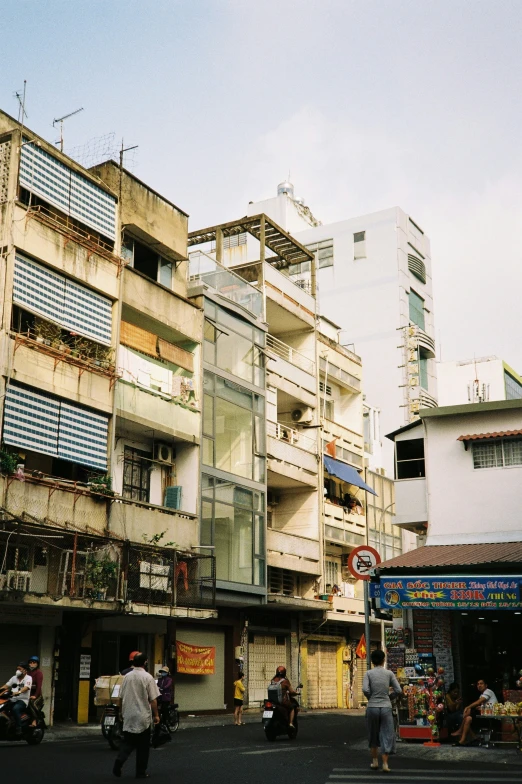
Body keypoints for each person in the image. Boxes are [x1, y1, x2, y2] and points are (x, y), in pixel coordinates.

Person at [113, 653, 160, 780]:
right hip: (143, 716)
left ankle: (120, 760)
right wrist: (156, 715)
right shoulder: (147, 677)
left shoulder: (127, 677)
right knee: (143, 747)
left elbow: (121, 697)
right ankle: (140, 772)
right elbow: (153, 700)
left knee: (128, 742)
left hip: (129, 714)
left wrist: (121, 713)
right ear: (145, 662)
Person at [363, 649, 402, 773]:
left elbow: (365, 689)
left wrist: (371, 698)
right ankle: (385, 764)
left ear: (372, 661)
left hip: (372, 707)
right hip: (386, 707)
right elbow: (399, 690)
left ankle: (375, 762)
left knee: (373, 734)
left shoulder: (368, 673)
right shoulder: (389, 673)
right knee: (386, 734)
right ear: (383, 660)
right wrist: (389, 697)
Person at [451, 678, 497, 746]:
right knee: (468, 718)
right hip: (484, 716)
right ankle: (465, 739)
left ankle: (463, 733)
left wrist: (468, 707)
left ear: (486, 685)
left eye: (481, 684)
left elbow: (479, 702)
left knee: (468, 714)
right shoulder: (482, 695)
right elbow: (484, 705)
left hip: (491, 717)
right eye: (478, 684)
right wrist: (480, 707)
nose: (479, 685)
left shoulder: (488, 691)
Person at [1, 662, 33, 737]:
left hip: (22, 700)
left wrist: (19, 692)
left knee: (16, 709)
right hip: (12, 699)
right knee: (3, 709)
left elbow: (26, 687)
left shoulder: (28, 678)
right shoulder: (14, 678)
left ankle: (19, 727)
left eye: (19, 669)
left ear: (25, 670)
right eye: (17, 669)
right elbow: (6, 686)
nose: (17, 671)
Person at [27, 655, 44, 726]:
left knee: (32, 703)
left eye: (34, 663)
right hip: (28, 694)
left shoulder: (38, 673)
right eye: (30, 662)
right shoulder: (28, 672)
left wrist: (35, 696)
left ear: (37, 664)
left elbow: (39, 686)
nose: (32, 664)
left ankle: (35, 719)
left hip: (37, 695)